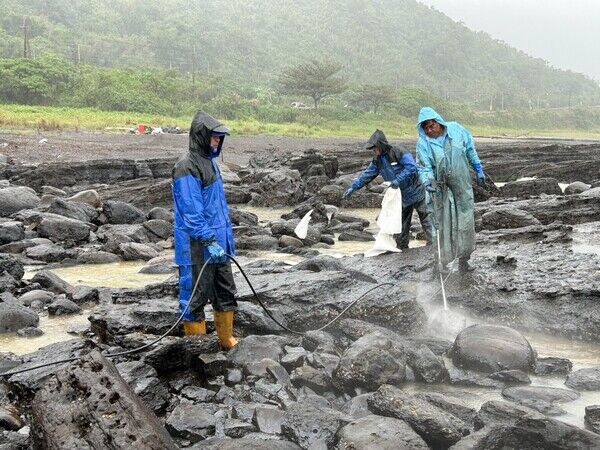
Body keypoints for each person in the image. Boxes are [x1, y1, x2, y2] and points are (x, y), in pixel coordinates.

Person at [172, 111, 238, 349]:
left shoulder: (211, 164)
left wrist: (224, 242)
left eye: (220, 138)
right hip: (196, 247)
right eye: (214, 138)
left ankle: (226, 339)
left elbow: (218, 207)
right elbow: (191, 212)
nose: (217, 142)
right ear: (201, 136)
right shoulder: (186, 167)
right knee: (194, 299)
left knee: (226, 292)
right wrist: (209, 239)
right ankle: (197, 348)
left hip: (220, 245)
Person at [415, 107, 485, 273]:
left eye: (431, 126)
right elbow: (423, 166)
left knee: (465, 219)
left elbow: (470, 150)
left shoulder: (457, 130)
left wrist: (478, 168)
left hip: (462, 183)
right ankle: (441, 262)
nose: (428, 130)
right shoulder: (423, 143)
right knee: (441, 223)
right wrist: (427, 181)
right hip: (439, 187)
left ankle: (464, 260)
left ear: (439, 123)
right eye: (425, 127)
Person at [343, 129, 432, 248]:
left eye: (375, 148)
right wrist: (353, 188)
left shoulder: (398, 151)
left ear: (381, 145)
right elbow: (366, 175)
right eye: (372, 149)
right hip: (400, 197)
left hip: (416, 191)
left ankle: (434, 247)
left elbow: (411, 167)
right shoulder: (377, 161)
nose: (374, 151)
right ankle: (402, 250)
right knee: (400, 226)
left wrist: (397, 180)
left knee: (427, 220)